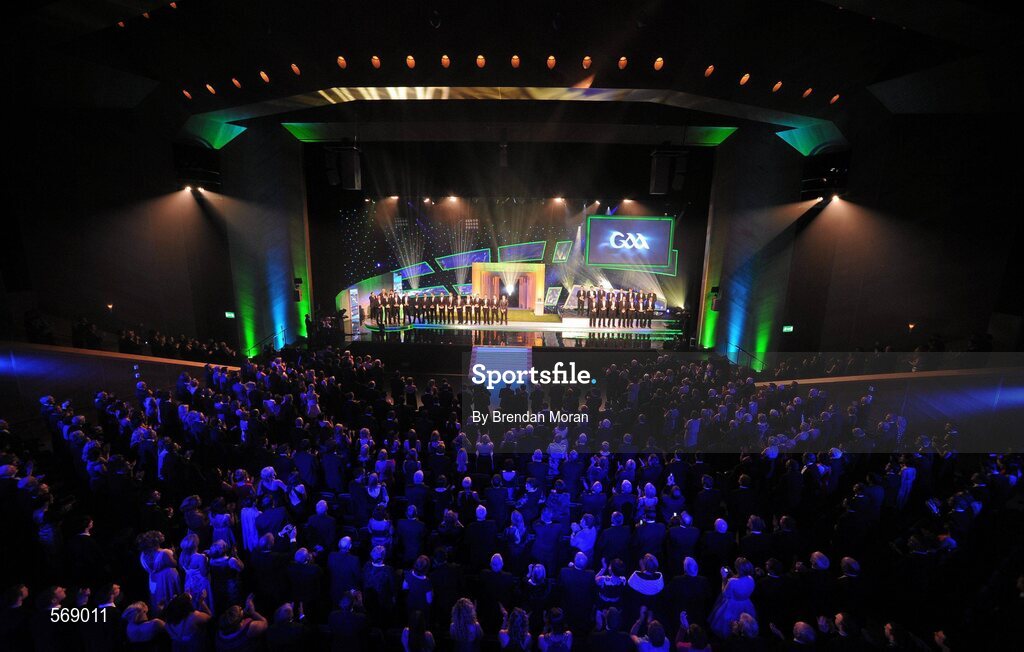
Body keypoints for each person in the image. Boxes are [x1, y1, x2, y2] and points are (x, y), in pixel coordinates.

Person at [707, 557, 756, 640]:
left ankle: (731, 640)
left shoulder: (732, 581)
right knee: (746, 626)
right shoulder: (751, 579)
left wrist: (724, 578)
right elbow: (740, 582)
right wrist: (732, 573)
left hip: (732, 605)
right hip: (746, 604)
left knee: (727, 626)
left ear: (738, 568)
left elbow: (724, 593)